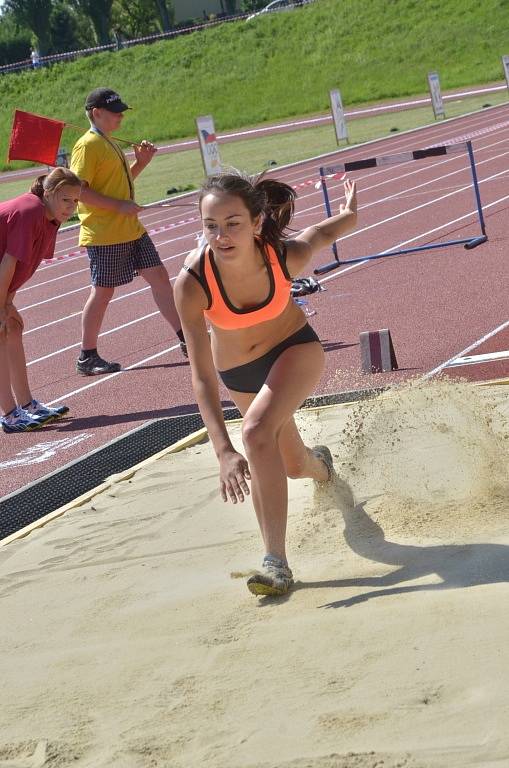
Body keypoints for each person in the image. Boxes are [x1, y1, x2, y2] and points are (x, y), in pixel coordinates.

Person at [174, 170, 357, 596]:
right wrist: (222, 450)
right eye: (211, 226)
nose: (222, 236)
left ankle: (275, 564)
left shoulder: (282, 256)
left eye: (233, 224)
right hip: (239, 373)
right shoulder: (191, 284)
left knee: (256, 434)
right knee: (293, 466)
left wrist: (350, 213)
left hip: (293, 350)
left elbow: (319, 234)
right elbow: (201, 376)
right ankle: (322, 467)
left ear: (257, 223)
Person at [70, 87, 186, 376]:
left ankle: (187, 338)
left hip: (130, 229)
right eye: (115, 112)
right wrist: (117, 206)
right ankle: (87, 355)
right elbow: (77, 192)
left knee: (159, 277)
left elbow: (116, 185)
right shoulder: (87, 146)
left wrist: (141, 164)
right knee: (103, 292)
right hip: (105, 233)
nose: (121, 116)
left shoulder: (107, 141)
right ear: (96, 113)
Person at [0, 168, 82, 433]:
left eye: (76, 201)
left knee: (14, 328)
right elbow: (8, 264)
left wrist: (9, 303)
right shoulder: (31, 212)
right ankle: (10, 414)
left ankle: (27, 404)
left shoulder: (51, 218)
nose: (72, 207)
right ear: (48, 194)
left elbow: (23, 267)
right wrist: (1, 308)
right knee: (1, 334)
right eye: (66, 200)